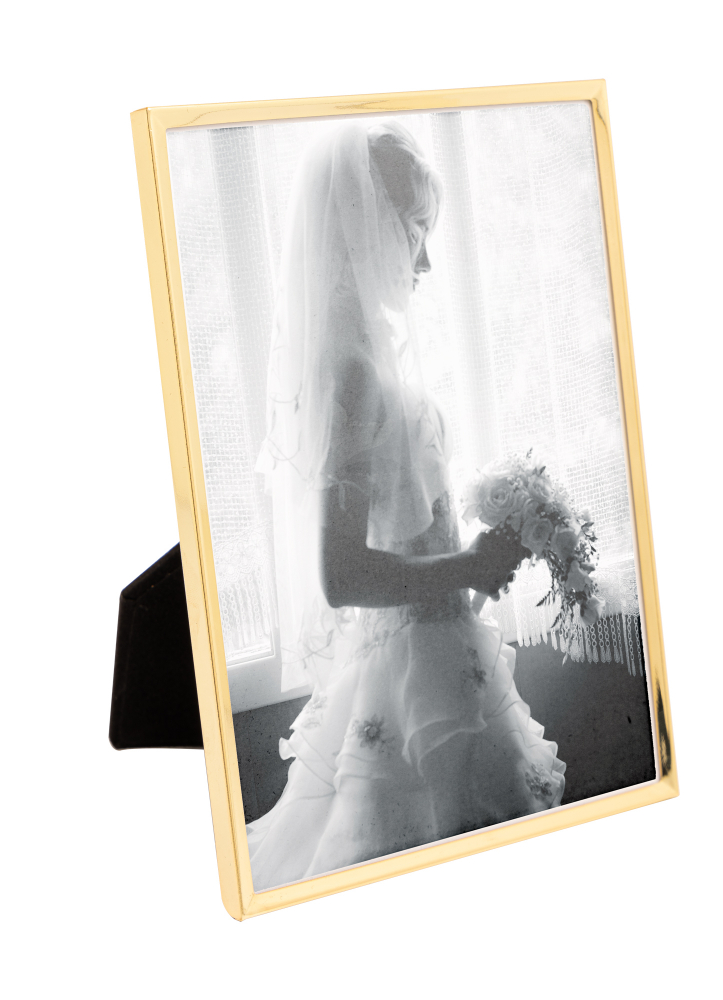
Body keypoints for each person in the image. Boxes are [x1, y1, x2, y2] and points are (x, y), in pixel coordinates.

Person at [248, 120, 565, 890]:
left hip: (442, 654)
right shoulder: (352, 372)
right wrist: (468, 566)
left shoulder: (368, 357)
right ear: (366, 226)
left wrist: (478, 547)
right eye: (415, 232)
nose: (425, 261)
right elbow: (341, 576)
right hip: (412, 672)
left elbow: (404, 522)